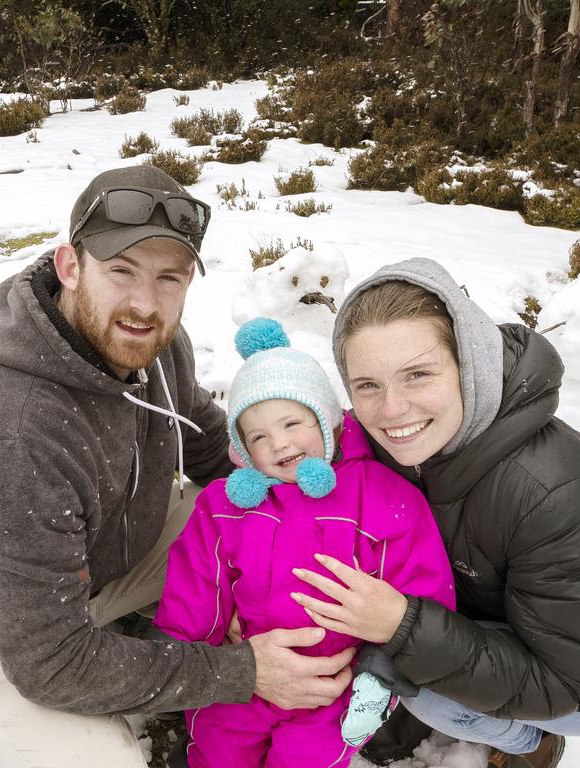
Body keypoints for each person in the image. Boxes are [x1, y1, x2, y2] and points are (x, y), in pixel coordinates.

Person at [0, 165, 357, 768]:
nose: (146, 303)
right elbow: (51, 663)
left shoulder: (157, 342)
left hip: (112, 550)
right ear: (69, 266)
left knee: (263, 508)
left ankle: (133, 634)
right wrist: (243, 671)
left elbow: (216, 455)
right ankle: (1, 723)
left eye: (170, 278)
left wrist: (281, 554)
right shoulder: (4, 438)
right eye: (121, 270)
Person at [288, 257, 580, 768]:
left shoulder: (549, 491)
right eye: (368, 385)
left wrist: (404, 627)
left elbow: (563, 681)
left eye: (418, 375)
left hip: (566, 670)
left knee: (429, 691)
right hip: (490, 619)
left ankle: (529, 743)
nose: (391, 410)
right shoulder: (372, 444)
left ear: (469, 363)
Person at [152, 317, 455, 768]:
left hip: (332, 685)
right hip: (245, 672)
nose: (280, 444)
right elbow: (197, 581)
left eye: (292, 422)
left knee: (306, 759)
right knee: (217, 749)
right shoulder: (226, 507)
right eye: (258, 436)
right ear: (242, 450)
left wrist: (382, 671)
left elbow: (421, 587)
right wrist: (183, 656)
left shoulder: (380, 497)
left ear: (325, 418)